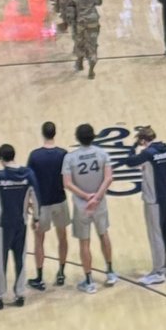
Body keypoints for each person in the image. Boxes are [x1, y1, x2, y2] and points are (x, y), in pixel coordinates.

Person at [0, 144, 41, 307]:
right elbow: (37, 197)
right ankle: (20, 295)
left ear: (1, 159)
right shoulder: (28, 173)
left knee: (1, 262)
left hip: (3, 226)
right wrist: (36, 219)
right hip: (21, 224)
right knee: (20, 260)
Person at [61, 123, 118, 293]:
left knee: (84, 242)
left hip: (81, 206)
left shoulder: (70, 158)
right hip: (99, 204)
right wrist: (97, 197)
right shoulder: (102, 153)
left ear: (77, 138)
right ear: (94, 136)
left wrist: (86, 197)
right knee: (104, 235)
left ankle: (89, 281)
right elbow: (108, 179)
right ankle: (110, 272)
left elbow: (67, 183)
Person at [123, 126, 166, 285]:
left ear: (143, 140)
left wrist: (133, 147)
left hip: (153, 199)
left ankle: (158, 272)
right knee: (164, 232)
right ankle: (163, 266)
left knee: (156, 235)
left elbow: (129, 161)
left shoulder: (148, 153)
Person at [27, 122, 68, 291]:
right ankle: (61, 272)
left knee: (39, 240)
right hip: (60, 200)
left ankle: (39, 277)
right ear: (55, 133)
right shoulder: (63, 154)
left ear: (43, 133)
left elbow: (29, 180)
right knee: (62, 237)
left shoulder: (35, 156)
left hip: (42, 203)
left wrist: (29, 200)